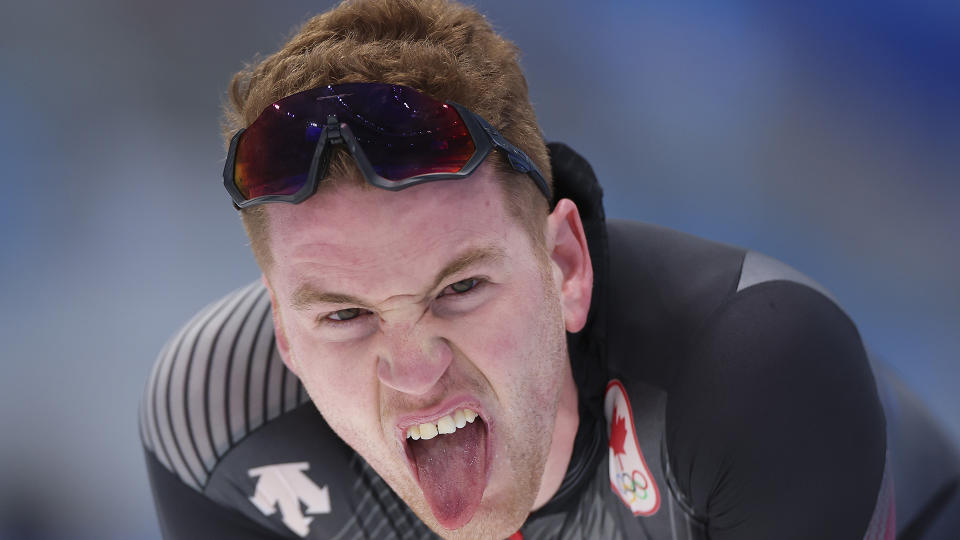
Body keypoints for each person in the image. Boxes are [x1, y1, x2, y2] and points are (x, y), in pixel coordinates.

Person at [139, 1, 960, 538]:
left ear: (565, 265)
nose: (416, 372)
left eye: (460, 290)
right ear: (283, 332)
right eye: (345, 316)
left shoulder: (755, 373)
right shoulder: (217, 425)